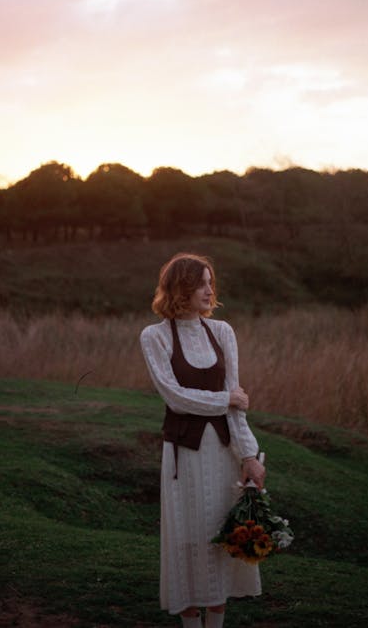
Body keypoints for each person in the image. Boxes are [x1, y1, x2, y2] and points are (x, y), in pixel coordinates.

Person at [140, 252, 266, 628]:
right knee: (187, 540)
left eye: (211, 282)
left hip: (223, 454)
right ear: (181, 287)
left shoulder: (223, 332)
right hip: (185, 458)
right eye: (202, 283)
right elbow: (174, 397)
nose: (210, 290)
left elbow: (236, 407)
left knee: (220, 539)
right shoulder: (155, 336)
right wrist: (225, 399)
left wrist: (249, 455)